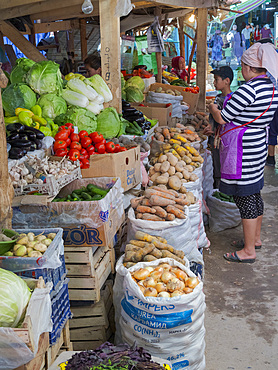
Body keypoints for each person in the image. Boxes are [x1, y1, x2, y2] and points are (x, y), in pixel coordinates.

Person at [209, 42, 278, 263]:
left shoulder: (249, 89)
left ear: (249, 67)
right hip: (258, 144)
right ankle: (254, 239)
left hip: (243, 148)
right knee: (255, 192)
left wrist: (213, 109)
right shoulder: (271, 87)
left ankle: (249, 251)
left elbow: (223, 118)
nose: (241, 70)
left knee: (245, 197)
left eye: (242, 66)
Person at [204, 66, 234, 188]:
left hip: (225, 143)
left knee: (223, 170)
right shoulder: (217, 98)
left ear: (227, 81)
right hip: (215, 142)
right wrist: (210, 127)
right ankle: (217, 190)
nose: (214, 83)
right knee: (217, 168)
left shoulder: (232, 101)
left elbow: (224, 121)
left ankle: (222, 191)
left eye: (217, 79)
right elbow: (213, 121)